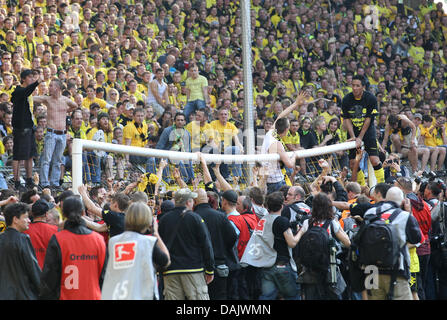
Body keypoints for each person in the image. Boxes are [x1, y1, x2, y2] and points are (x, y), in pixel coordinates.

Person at [39, 196, 107, 300]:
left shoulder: (58, 239)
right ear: (83, 213)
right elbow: (104, 276)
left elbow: (50, 276)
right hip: (93, 296)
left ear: (64, 214)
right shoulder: (98, 240)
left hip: (66, 296)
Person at [361, 187, 422, 300]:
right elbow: (417, 238)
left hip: (371, 271)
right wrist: (409, 212)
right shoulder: (404, 216)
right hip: (397, 271)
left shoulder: (369, 213)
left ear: (385, 199)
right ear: (403, 201)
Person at [101, 201, 170, 300]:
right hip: (143, 294)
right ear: (148, 220)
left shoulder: (113, 242)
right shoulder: (148, 242)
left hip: (117, 294)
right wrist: (156, 233)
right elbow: (166, 261)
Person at [241, 191, 301, 300]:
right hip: (282, 265)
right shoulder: (282, 221)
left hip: (266, 265)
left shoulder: (263, 220)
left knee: (266, 297)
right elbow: (292, 243)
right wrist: (302, 231)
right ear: (282, 206)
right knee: (293, 296)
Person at [158, 188, 215, 300]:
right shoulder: (195, 218)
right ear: (189, 202)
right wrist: (210, 269)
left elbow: (160, 245)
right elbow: (206, 245)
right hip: (193, 269)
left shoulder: (164, 219)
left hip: (170, 270)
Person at [296, 192, 351, 300]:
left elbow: (297, 240)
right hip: (329, 268)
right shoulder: (332, 223)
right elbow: (347, 243)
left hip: (310, 268)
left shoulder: (307, 223)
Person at [34, 78, 78, 191]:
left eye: (51, 86)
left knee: (58, 160)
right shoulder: (47, 99)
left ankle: (54, 182)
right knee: (47, 159)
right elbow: (33, 98)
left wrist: (65, 111)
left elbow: (75, 106)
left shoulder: (65, 100)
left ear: (57, 88)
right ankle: (44, 183)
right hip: (51, 133)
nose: (49, 87)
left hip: (62, 134)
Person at [194, 188, 238, 300]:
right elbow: (232, 236)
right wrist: (223, 248)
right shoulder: (219, 216)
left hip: (198, 267)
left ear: (194, 201)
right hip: (220, 265)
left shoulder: (192, 217)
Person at [261, 91, 308, 193]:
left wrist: (296, 103)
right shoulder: (277, 144)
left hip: (267, 179)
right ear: (287, 130)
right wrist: (295, 155)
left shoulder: (271, 132)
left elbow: (280, 116)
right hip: (275, 182)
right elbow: (290, 164)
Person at [341, 75, 384, 184]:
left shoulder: (371, 99)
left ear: (363, 87)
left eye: (357, 86)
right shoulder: (346, 99)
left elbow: (369, 119)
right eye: (353, 85)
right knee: (352, 163)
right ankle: (362, 186)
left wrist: (360, 137)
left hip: (368, 132)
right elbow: (347, 119)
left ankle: (382, 185)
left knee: (374, 160)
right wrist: (353, 136)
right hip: (353, 132)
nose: (354, 88)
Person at [0, 202, 41, 299]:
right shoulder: (23, 239)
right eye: (26, 217)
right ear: (15, 219)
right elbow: (33, 269)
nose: (29, 221)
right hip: (23, 294)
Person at [11, 69, 41, 190]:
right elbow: (25, 92)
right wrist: (37, 82)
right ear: (23, 79)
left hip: (29, 127)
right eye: (30, 77)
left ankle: (29, 180)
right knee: (18, 156)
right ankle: (17, 182)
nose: (32, 79)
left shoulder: (29, 93)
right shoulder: (18, 91)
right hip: (21, 128)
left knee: (30, 155)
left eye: (33, 78)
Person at [23, 199, 58, 269]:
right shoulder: (55, 230)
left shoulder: (24, 230)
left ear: (32, 213)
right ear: (46, 214)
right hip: (49, 272)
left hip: (29, 272)